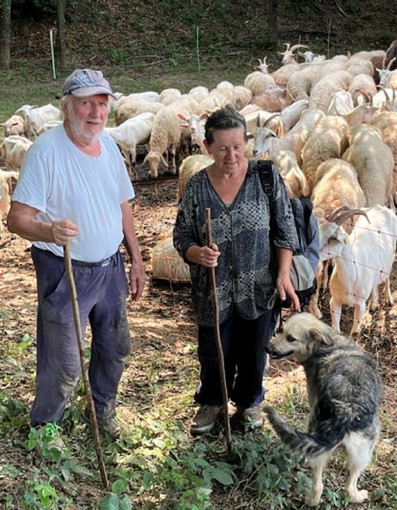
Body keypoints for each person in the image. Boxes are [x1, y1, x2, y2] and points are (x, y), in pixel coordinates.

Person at [7, 69, 145, 438]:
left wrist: (136, 260)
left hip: (110, 269)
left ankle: (102, 410)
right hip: (64, 269)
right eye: (86, 103)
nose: (96, 113)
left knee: (116, 347)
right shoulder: (46, 152)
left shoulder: (110, 147)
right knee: (65, 362)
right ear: (66, 106)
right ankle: (46, 427)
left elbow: (123, 205)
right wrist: (48, 230)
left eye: (102, 104)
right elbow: (16, 219)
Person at [173, 105, 300, 435]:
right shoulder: (197, 186)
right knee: (214, 351)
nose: (231, 155)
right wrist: (196, 252)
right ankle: (213, 401)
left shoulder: (266, 177)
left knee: (254, 350)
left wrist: (283, 274)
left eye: (237, 146)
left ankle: (249, 402)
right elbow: (181, 234)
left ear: (245, 142)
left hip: (259, 286)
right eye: (222, 148)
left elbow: (285, 231)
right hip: (213, 288)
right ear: (207, 147)